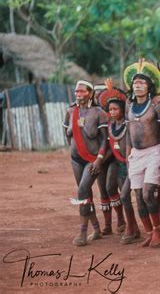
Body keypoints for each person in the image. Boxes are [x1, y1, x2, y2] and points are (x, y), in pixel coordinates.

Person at [123, 59, 160, 248]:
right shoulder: (129, 106)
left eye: (142, 83)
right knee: (138, 197)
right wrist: (128, 155)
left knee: (148, 193)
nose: (138, 86)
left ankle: (157, 230)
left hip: (154, 152)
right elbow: (129, 133)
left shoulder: (157, 105)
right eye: (135, 83)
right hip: (135, 155)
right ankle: (149, 233)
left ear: (149, 86)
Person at [63, 80, 108, 246]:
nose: (78, 94)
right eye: (76, 92)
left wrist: (99, 159)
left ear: (90, 93)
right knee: (85, 194)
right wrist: (72, 149)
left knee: (82, 190)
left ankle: (82, 231)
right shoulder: (70, 111)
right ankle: (96, 229)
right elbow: (67, 133)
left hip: (92, 160)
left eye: (82, 91)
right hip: (76, 159)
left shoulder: (98, 113)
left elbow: (105, 140)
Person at [98, 79, 141, 244]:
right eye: (110, 109)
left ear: (123, 109)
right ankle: (129, 224)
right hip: (118, 163)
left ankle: (134, 227)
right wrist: (100, 160)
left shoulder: (128, 124)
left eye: (116, 108)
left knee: (127, 196)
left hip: (131, 162)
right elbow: (109, 145)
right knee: (112, 189)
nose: (113, 111)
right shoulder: (110, 125)